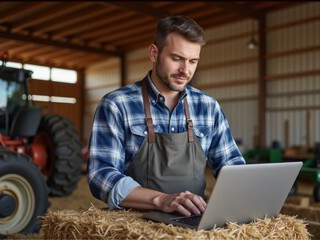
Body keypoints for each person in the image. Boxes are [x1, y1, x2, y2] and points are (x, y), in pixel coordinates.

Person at [87, 15, 245, 217]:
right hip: (135, 222)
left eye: (193, 61)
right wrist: (161, 200)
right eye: (176, 58)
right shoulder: (117, 105)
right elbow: (100, 174)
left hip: (192, 223)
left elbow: (231, 165)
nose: (185, 70)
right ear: (154, 53)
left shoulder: (208, 107)